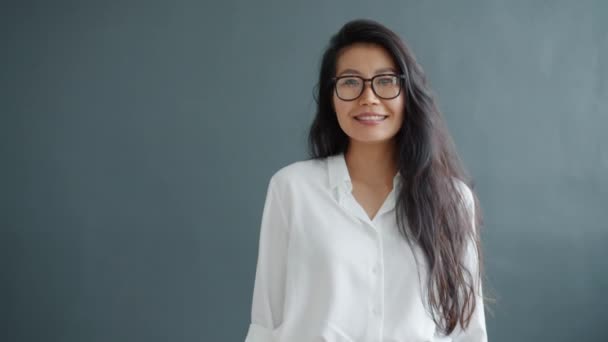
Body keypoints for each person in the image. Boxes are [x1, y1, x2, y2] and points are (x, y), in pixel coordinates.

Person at [245, 19, 487, 342]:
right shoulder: (292, 189)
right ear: (331, 96)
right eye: (350, 82)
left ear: (408, 93)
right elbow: (266, 323)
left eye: (385, 81)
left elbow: (467, 333)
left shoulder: (453, 200)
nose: (368, 97)